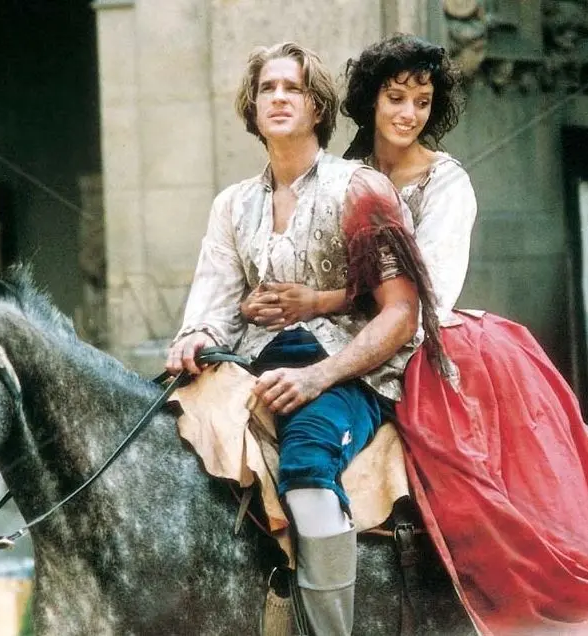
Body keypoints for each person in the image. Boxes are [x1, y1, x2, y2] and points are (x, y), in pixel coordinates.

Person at [244, 33, 588, 635]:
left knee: (471, 498)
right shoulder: (344, 173)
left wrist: (319, 300)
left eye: (422, 102)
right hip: (342, 335)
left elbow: (428, 291)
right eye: (396, 98)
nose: (408, 114)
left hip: (430, 343)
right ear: (371, 100)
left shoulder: (446, 182)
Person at [166, 41, 444, 636]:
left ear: (318, 105)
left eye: (292, 88)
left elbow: (402, 314)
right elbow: (213, 308)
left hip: (350, 372)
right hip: (256, 365)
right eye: (267, 88)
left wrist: (319, 376)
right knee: (168, 443)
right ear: (252, 106)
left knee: (307, 463)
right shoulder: (233, 204)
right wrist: (194, 338)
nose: (278, 98)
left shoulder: (361, 187)